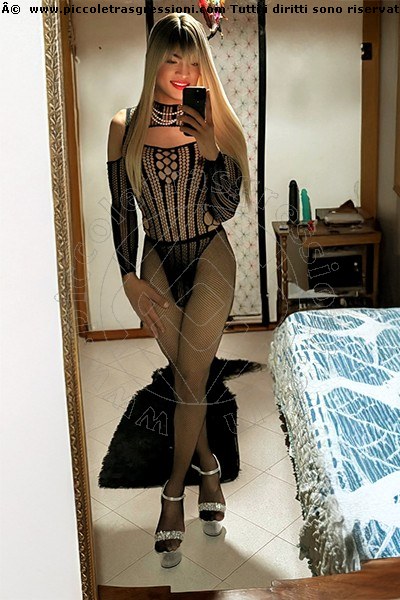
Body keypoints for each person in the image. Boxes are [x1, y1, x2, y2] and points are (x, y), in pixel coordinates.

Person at [107, 12, 251, 568]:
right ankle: (209, 467)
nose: (182, 71)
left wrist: (211, 149)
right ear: (155, 62)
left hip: (210, 251)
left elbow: (225, 209)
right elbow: (123, 209)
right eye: (172, 59)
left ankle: (173, 495)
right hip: (157, 258)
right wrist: (127, 275)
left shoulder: (219, 123)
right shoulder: (124, 126)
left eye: (193, 62)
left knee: (190, 377)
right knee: (191, 379)